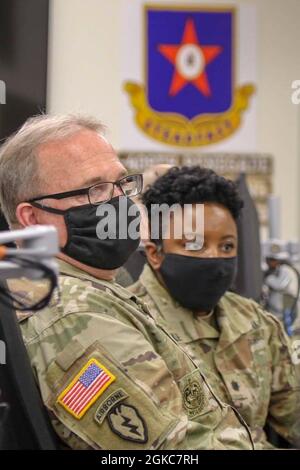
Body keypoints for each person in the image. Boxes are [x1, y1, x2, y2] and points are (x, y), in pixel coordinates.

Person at [0, 115, 254, 450]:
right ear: (32, 218)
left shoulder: (88, 287)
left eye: (121, 183)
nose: (119, 202)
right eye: (95, 190)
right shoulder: (74, 314)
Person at [129, 165, 300, 449]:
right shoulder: (130, 326)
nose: (214, 258)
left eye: (227, 246)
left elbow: (293, 410)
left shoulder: (255, 321)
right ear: (155, 253)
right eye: (194, 244)